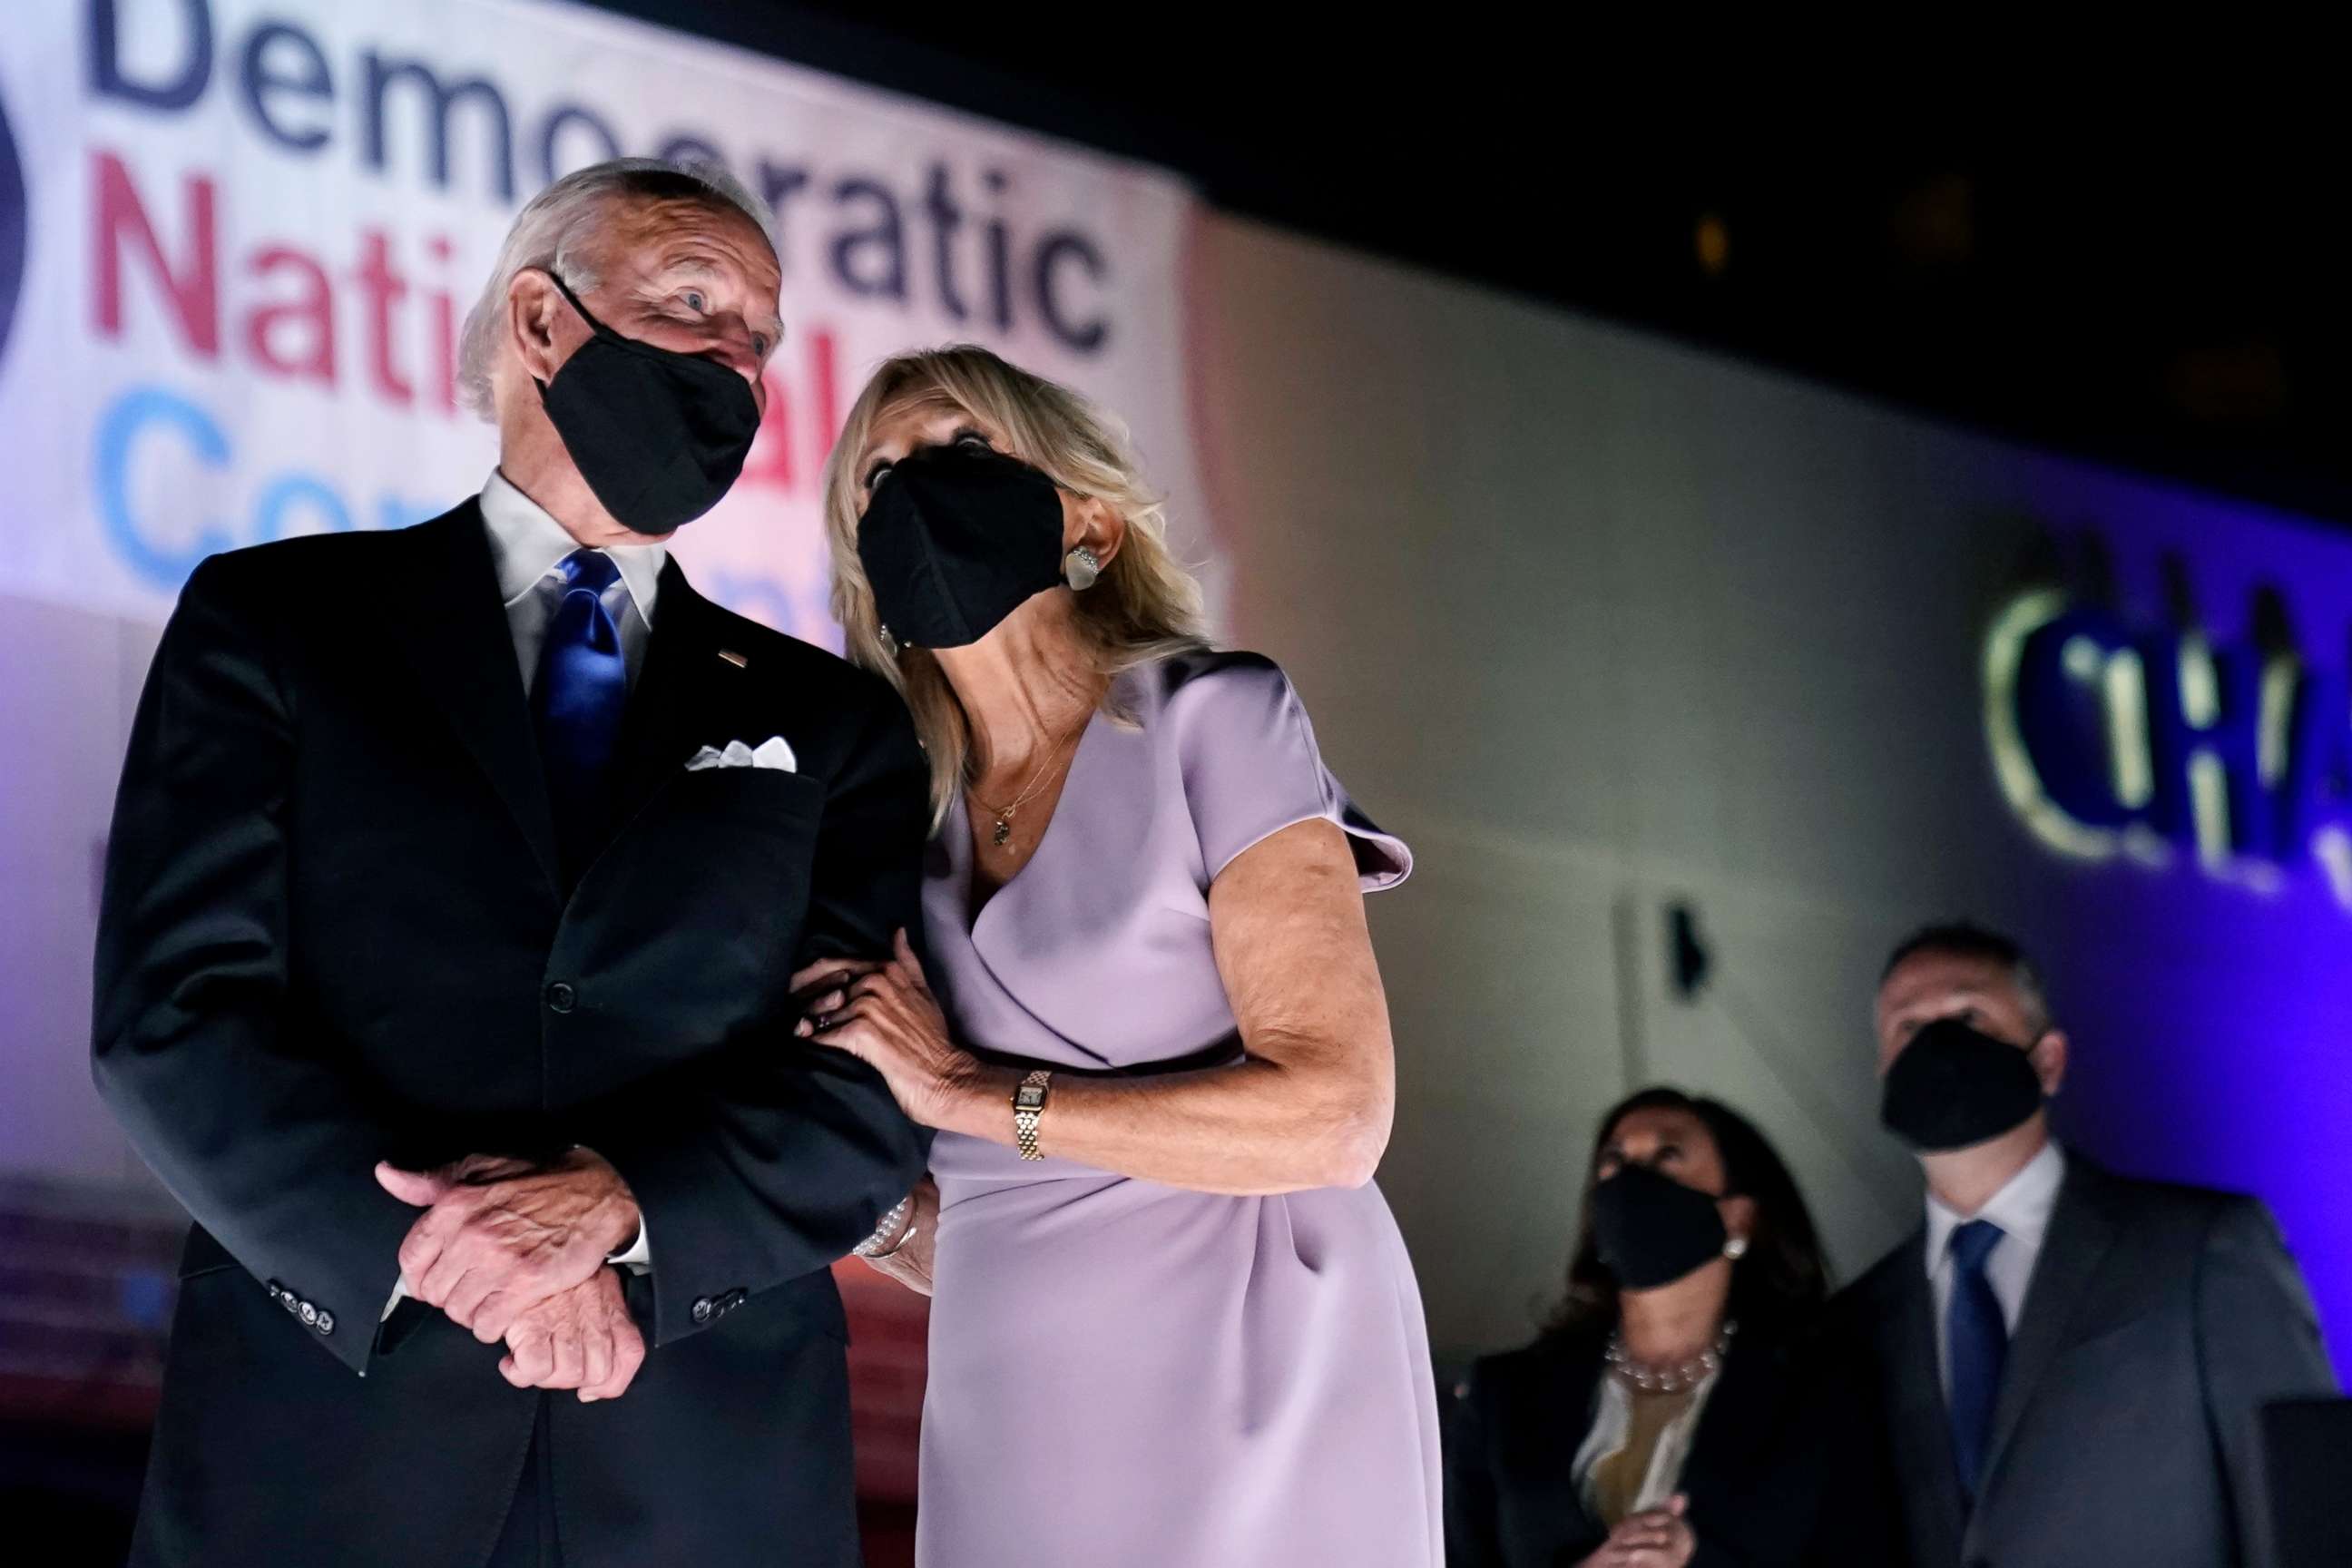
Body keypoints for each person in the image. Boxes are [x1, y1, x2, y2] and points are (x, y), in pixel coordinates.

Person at [92, 158, 931, 1568]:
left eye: (760, 335)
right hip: (325, 1457)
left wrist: (622, 1207)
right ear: (542, 326)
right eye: (692, 300)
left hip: (702, 1484)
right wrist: (480, 1269)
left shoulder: (838, 723)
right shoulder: (277, 622)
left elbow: (865, 1093)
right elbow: (175, 1022)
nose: (739, 357)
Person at [785, 346, 1441, 1567]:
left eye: (964, 451)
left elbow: (1338, 1119)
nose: (916, 489)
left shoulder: (1216, 716)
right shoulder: (888, 825)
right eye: (877, 476)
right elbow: (994, 1222)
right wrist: (858, 1200)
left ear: (1085, 517)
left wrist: (968, 1095)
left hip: (1265, 1380)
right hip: (1016, 1410)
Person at [1840, 922, 2338, 1568]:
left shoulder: (2202, 1249)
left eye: (1969, 1016)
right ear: (1884, 1068)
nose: (1940, 1047)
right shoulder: (1855, 1323)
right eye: (1909, 1027)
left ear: (2049, 1059)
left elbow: (2310, 1509)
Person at [1446, 1088, 1894, 1567]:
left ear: (1738, 1216)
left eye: (1667, 1156)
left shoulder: (1821, 1396)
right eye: (1614, 1160)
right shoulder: (1503, 1397)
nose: (1631, 1180)